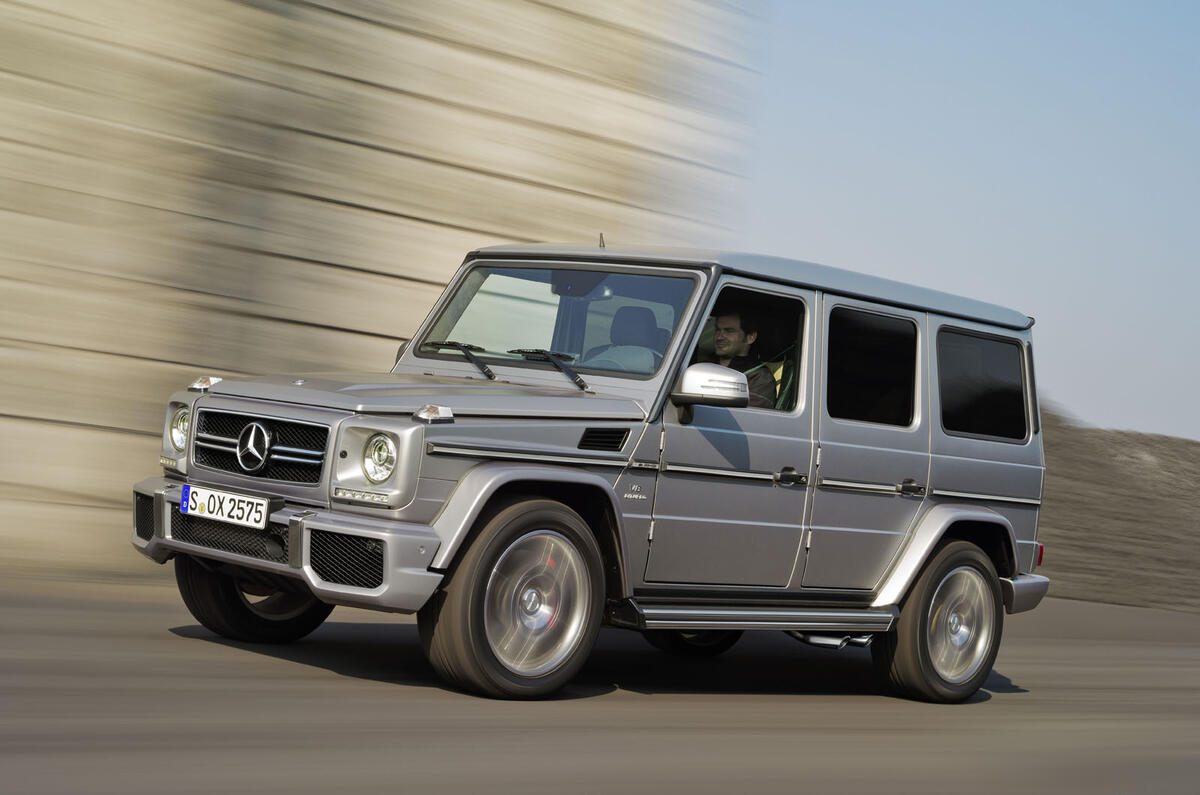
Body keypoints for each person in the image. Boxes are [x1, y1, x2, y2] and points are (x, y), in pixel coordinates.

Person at [700, 310, 776, 409]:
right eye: (718, 330)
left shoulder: (760, 377)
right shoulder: (702, 367)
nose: (719, 337)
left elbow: (749, 418)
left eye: (729, 331)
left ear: (750, 337)